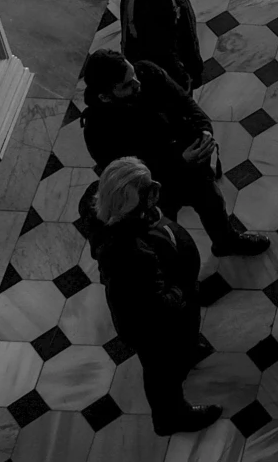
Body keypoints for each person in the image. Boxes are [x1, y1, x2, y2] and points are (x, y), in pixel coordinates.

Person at [80, 50, 269, 255]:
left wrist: (204, 131)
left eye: (132, 74)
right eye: (127, 85)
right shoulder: (97, 132)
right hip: (154, 187)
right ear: (105, 96)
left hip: (190, 162)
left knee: (213, 204)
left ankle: (226, 242)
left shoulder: (147, 72)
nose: (137, 83)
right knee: (167, 234)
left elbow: (186, 104)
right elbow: (129, 175)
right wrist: (179, 159)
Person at [91, 157, 222, 436]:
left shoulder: (127, 218)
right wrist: (184, 290)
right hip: (157, 326)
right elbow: (155, 306)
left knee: (176, 354)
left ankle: (185, 353)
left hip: (170, 311)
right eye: (148, 188)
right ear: (130, 201)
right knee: (163, 373)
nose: (157, 188)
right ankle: (171, 418)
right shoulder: (131, 252)